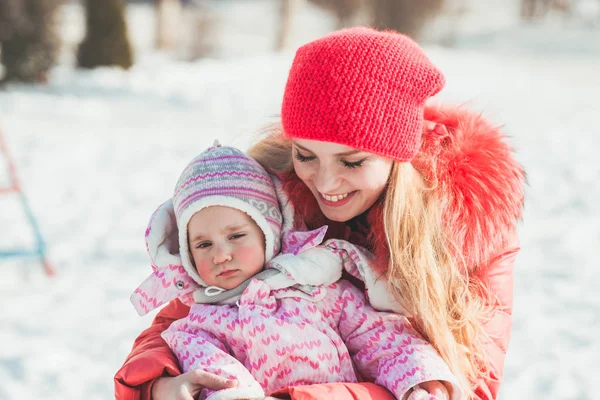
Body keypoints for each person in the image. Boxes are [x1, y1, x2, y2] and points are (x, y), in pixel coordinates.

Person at [115, 27, 525, 400]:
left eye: (351, 162)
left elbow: (471, 384)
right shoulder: (273, 202)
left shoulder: (466, 227)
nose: (326, 184)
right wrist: (158, 386)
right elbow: (186, 315)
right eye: (306, 154)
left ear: (397, 156)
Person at [131, 143, 462, 400]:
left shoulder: (318, 289)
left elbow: (379, 339)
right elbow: (219, 377)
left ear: (269, 232)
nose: (222, 255)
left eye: (236, 236)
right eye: (203, 245)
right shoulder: (199, 325)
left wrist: (419, 380)